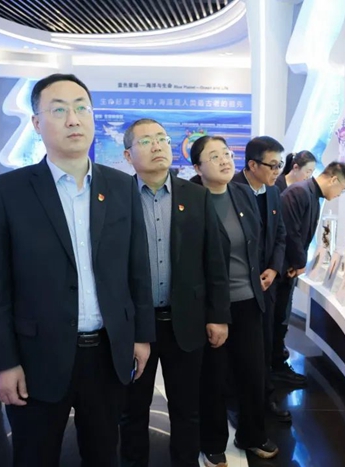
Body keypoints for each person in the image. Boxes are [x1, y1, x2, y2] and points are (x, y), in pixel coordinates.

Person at [0, 73, 155, 467]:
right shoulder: (8, 191)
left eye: (81, 108)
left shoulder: (121, 187)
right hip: (35, 357)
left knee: (103, 454)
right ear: (37, 124)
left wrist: (141, 336)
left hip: (107, 353)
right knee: (34, 456)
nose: (73, 119)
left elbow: (137, 270)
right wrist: (2, 362)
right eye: (58, 110)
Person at [119, 119, 230, 467]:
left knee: (186, 408)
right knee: (132, 409)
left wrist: (218, 316)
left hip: (186, 320)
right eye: (146, 141)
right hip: (136, 325)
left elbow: (215, 260)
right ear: (128, 155)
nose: (157, 146)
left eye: (162, 139)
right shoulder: (117, 197)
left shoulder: (195, 196)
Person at [190, 135, 279, 466]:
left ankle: (252, 435)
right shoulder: (191, 200)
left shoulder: (242, 193)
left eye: (226, 153)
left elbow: (258, 240)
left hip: (249, 300)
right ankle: (213, 442)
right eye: (214, 156)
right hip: (212, 306)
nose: (225, 160)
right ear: (197, 167)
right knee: (213, 378)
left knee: (253, 374)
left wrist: (269, 269)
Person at [274, 162, 345, 385]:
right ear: (334, 180)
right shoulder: (300, 192)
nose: (339, 195)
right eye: (342, 189)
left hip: (288, 266)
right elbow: (290, 232)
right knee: (277, 319)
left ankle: (277, 365)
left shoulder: (311, 194)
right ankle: (274, 370)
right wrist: (299, 263)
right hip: (281, 268)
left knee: (281, 317)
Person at [231, 136, 291, 420]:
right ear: (252, 165)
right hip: (237, 287)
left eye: (280, 165)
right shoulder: (228, 189)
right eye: (273, 165)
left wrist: (274, 269)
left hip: (266, 285)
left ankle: (264, 399)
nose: (277, 171)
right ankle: (236, 401)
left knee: (264, 345)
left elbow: (280, 235)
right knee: (239, 350)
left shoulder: (274, 192)